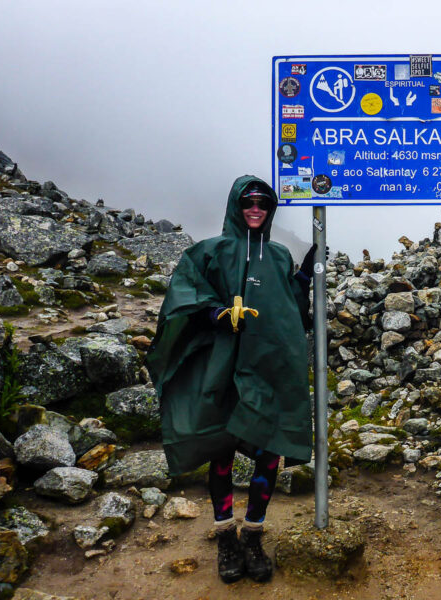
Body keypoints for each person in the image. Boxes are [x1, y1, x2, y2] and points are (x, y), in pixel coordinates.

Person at [146, 175, 318, 584]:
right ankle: (226, 536)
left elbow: (289, 309)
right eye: (248, 201)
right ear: (236, 206)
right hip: (221, 366)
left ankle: (254, 534)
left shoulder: (278, 255)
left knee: (269, 451)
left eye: (263, 202)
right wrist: (214, 314)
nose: (255, 208)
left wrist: (304, 279)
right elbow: (186, 292)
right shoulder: (210, 251)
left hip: (265, 366)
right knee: (221, 451)